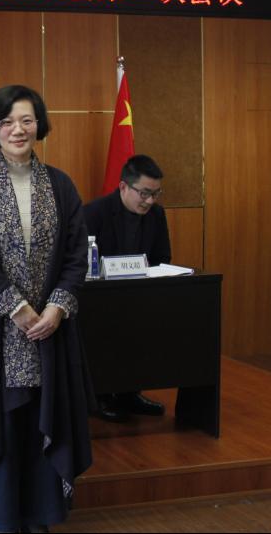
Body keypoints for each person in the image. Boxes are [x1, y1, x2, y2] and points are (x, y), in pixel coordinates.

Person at [0, 85, 94, 533]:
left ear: (39, 124)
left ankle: (42, 519)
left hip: (52, 331)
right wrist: (18, 309)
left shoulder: (60, 184)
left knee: (45, 424)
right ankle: (5, 519)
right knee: (4, 429)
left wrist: (57, 309)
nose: (17, 129)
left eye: (27, 120)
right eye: (7, 121)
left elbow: (75, 255)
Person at [84, 154, 171, 423]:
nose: (150, 201)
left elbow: (162, 257)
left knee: (146, 327)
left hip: (139, 297)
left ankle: (130, 393)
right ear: (123, 187)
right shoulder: (94, 213)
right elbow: (81, 261)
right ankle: (99, 396)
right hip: (98, 299)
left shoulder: (156, 214)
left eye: (155, 194)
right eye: (144, 193)